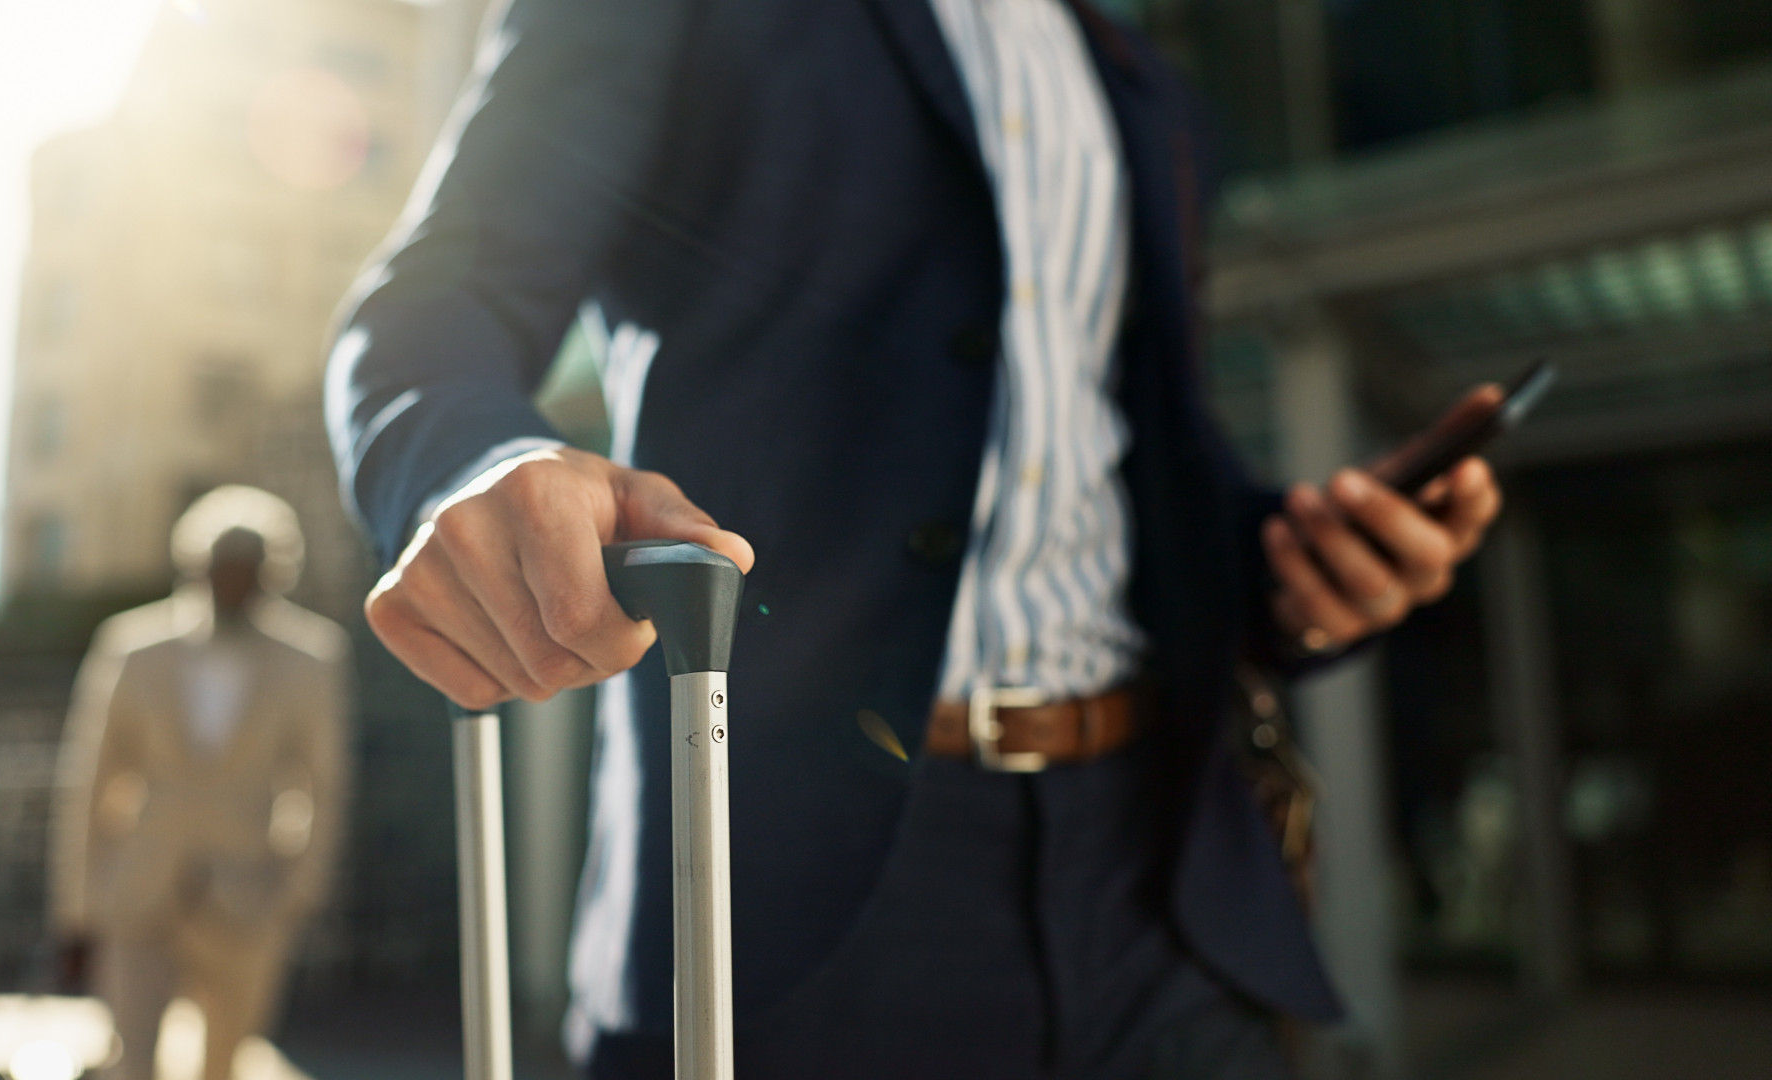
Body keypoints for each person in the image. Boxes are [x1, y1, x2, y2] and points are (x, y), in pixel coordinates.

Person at [326, 1, 1501, 1076]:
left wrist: (1304, 565)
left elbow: (1132, 451)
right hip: (807, 889)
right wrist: (479, 467)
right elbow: (440, 298)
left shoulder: (1125, 57)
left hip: (1159, 877)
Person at [50, 486, 351, 1080]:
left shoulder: (311, 657)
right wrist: (77, 907)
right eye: (221, 569)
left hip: (247, 898)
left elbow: (325, 783)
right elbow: (93, 776)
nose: (232, 583)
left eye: (248, 571)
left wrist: (296, 892)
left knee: (225, 1064)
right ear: (196, 567)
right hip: (142, 890)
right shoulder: (133, 647)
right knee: (131, 1061)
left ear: (273, 574)